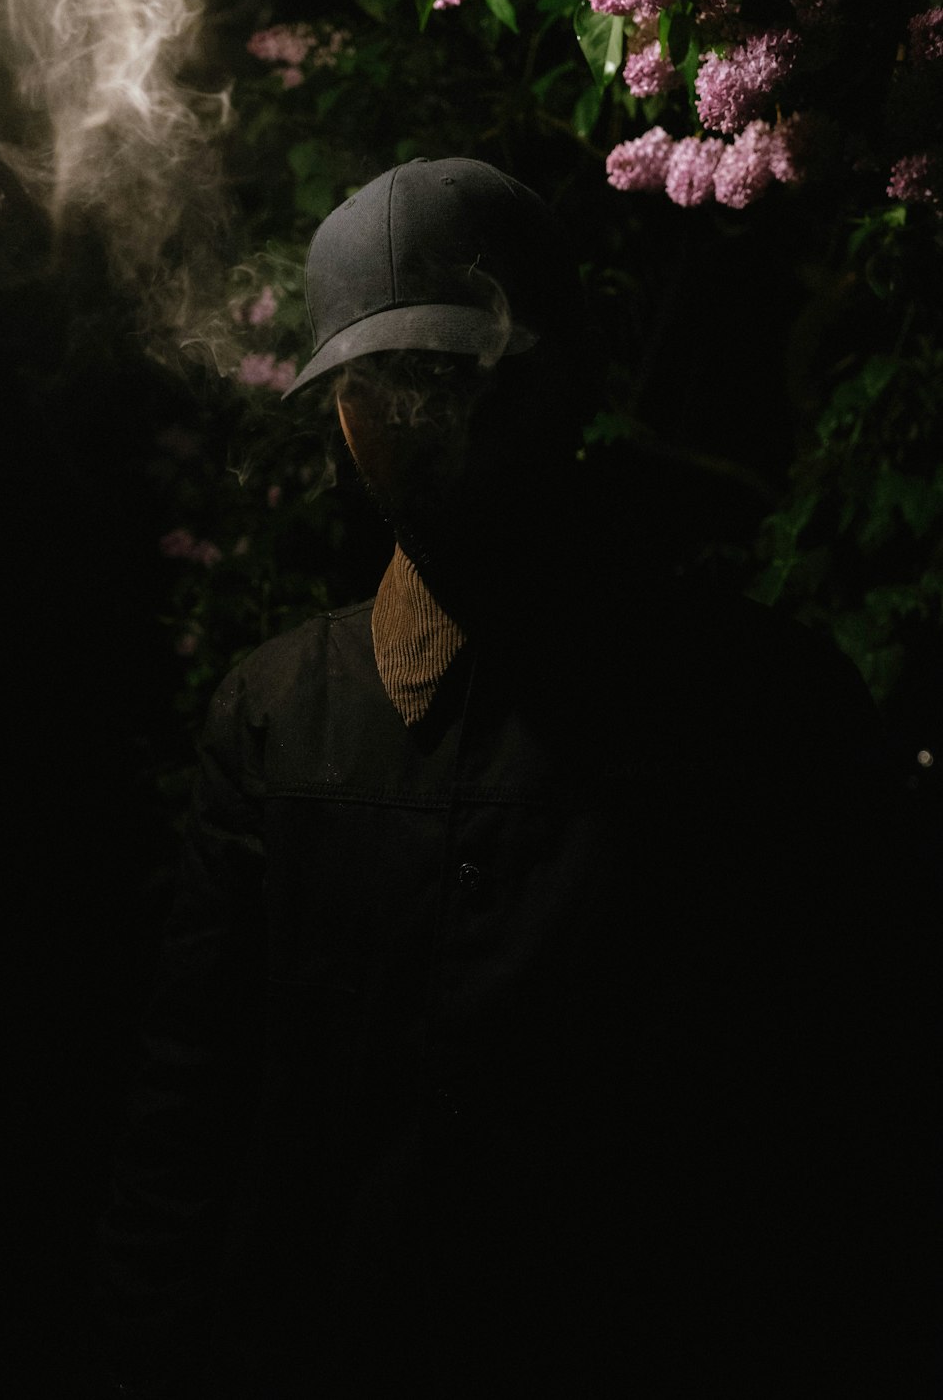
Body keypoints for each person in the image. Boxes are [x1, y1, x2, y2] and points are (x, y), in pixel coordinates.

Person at [90, 157, 931, 1397]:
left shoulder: (757, 704)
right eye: (388, 384)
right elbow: (187, 1122)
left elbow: (861, 1121)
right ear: (337, 417)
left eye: (470, 373)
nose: (437, 427)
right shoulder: (275, 717)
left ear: (564, 378)